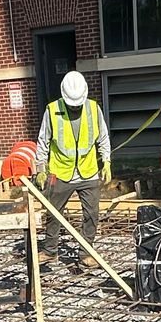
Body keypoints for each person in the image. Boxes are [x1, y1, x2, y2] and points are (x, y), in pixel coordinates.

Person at [34, 70, 111, 268]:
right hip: (61, 171)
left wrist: (107, 161)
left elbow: (103, 137)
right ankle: (50, 249)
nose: (75, 107)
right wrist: (41, 168)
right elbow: (43, 141)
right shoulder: (52, 111)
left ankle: (86, 252)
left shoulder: (94, 109)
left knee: (91, 214)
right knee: (53, 212)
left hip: (88, 170)